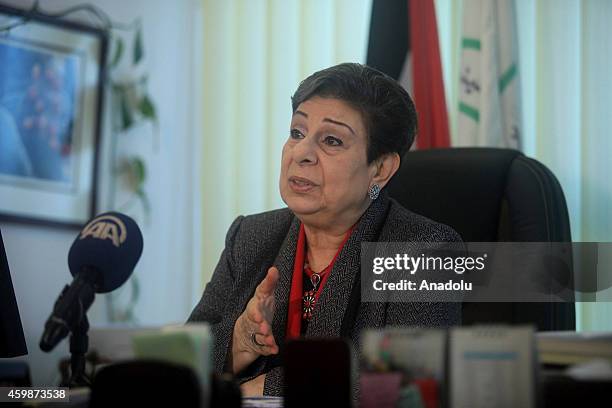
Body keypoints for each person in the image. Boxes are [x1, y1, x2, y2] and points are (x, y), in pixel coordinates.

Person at [188, 63, 461, 396]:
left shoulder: (425, 250)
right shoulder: (250, 237)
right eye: (297, 133)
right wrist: (239, 342)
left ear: (380, 168)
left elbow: (406, 382)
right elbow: (184, 363)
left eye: (331, 140)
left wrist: (267, 387)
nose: (302, 153)